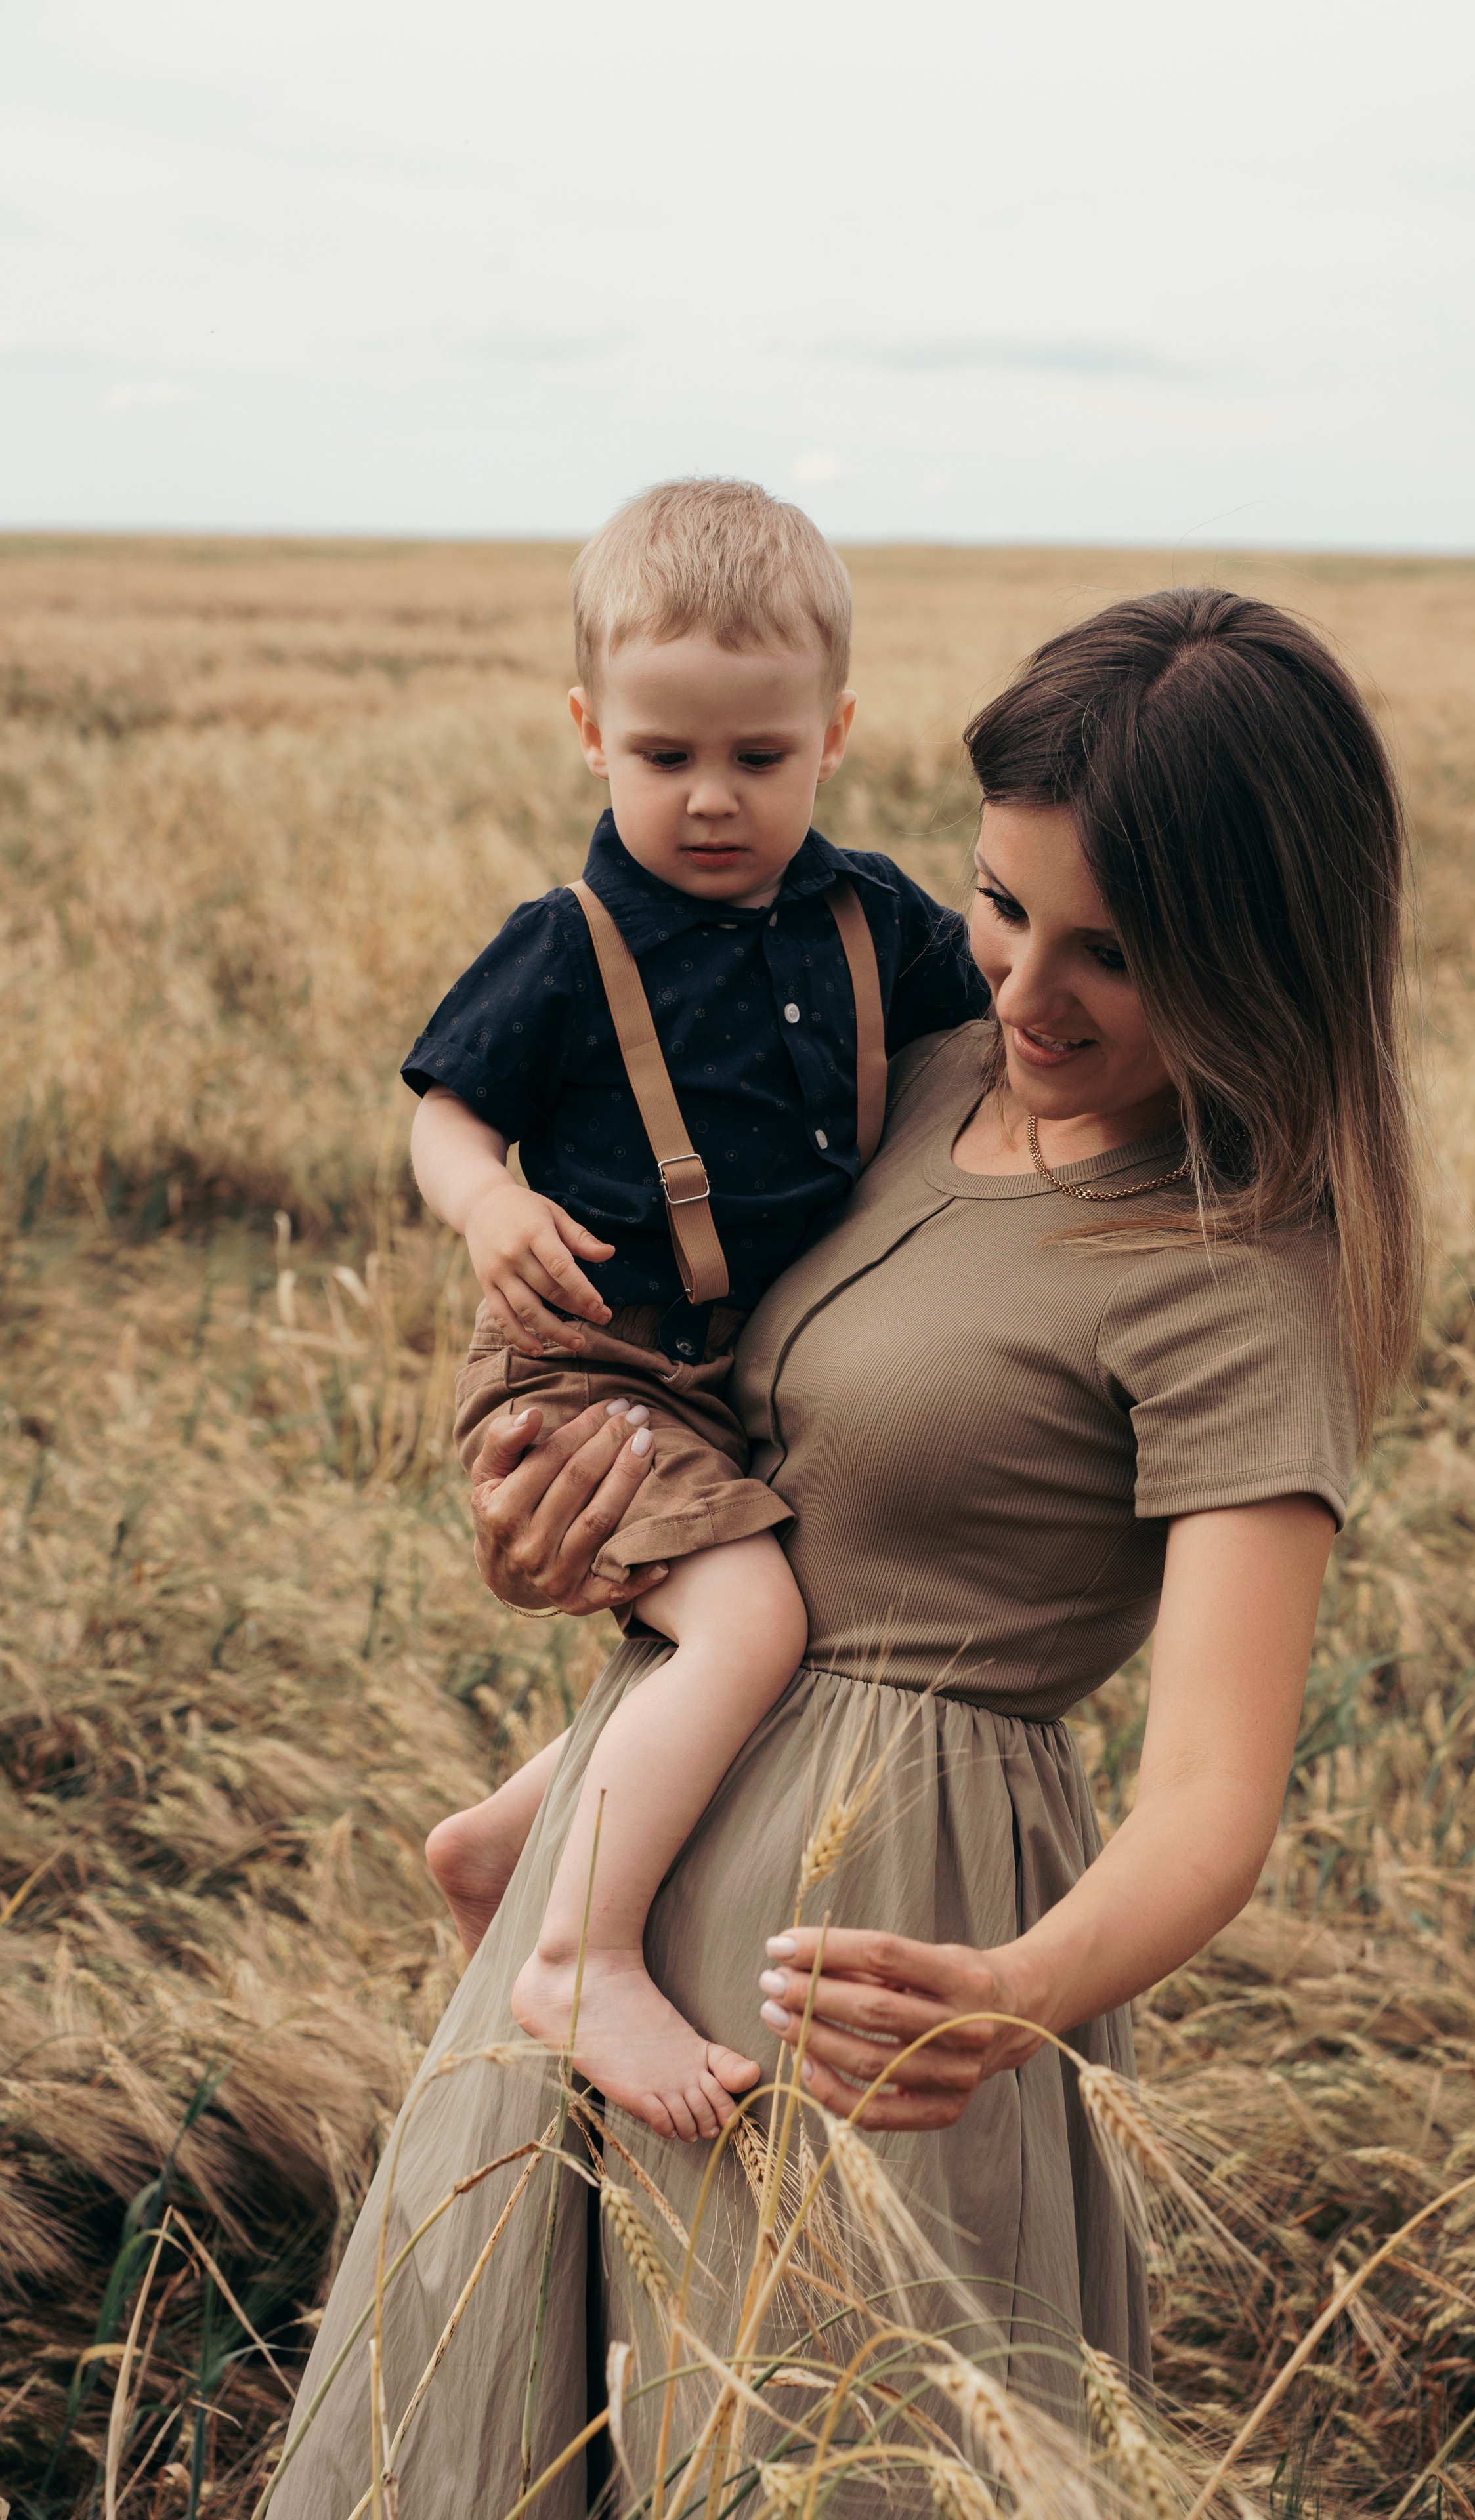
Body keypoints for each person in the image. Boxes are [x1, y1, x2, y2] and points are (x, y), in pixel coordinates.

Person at [270, 587, 1421, 2517]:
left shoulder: (1239, 1274)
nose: (1032, 993)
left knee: (805, 2455)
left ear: (1262, 957)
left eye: (1118, 956)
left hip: (876, 1955)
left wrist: (1020, 1990)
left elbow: (1216, 1800)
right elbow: (772, 1460)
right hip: (614, 1892)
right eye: (1001, 906)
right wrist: (571, 1518)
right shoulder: (930, 1070)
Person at [403, 478, 989, 2144]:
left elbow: (996, 1042)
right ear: (590, 734)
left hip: (722, 1379)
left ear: (836, 732)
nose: (714, 801)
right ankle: (577, 1952)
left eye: (760, 757)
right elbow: (442, 1109)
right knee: (749, 1629)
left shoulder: (878, 920)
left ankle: (510, 1838)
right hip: (583, 1366)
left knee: (773, 1608)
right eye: (666, 759)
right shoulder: (565, 943)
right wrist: (491, 1203)